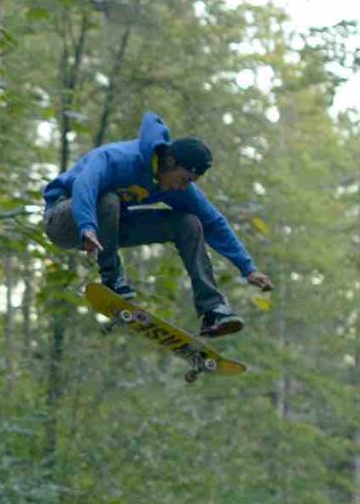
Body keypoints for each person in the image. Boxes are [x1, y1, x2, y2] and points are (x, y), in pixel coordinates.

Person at [40, 111, 274, 337]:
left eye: (190, 182)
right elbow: (84, 185)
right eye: (184, 179)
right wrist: (86, 226)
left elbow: (213, 222)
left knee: (189, 223)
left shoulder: (174, 186)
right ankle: (111, 279)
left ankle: (212, 309)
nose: (183, 187)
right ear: (169, 161)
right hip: (64, 219)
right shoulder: (119, 158)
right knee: (109, 200)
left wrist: (248, 268)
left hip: (107, 230)